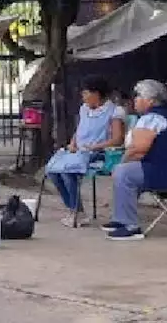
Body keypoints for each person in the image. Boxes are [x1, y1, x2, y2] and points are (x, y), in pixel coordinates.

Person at [103, 79, 167, 241]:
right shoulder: (163, 116)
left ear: (150, 100)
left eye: (138, 97)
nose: (135, 100)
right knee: (124, 172)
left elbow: (138, 149)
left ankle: (130, 226)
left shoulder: (152, 118)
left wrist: (121, 163)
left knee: (123, 172)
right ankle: (120, 219)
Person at [44, 75, 128, 227]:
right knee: (53, 171)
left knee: (68, 171)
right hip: (79, 152)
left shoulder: (115, 111)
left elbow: (117, 139)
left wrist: (94, 147)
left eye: (86, 93)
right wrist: (72, 143)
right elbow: (79, 131)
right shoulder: (84, 109)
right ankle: (73, 208)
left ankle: (78, 212)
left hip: (100, 153)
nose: (83, 96)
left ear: (96, 94)